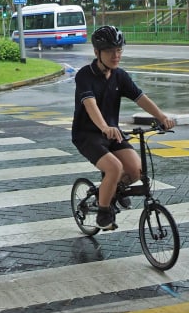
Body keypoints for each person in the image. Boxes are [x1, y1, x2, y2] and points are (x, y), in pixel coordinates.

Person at [71, 25, 175, 230]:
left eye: (119, 50)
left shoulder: (120, 76)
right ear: (97, 53)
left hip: (113, 133)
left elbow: (140, 98)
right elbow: (90, 104)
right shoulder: (84, 75)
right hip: (87, 135)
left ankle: (110, 191)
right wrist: (103, 126)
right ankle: (103, 212)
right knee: (115, 168)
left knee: (137, 171)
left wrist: (161, 117)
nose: (115, 55)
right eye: (110, 51)